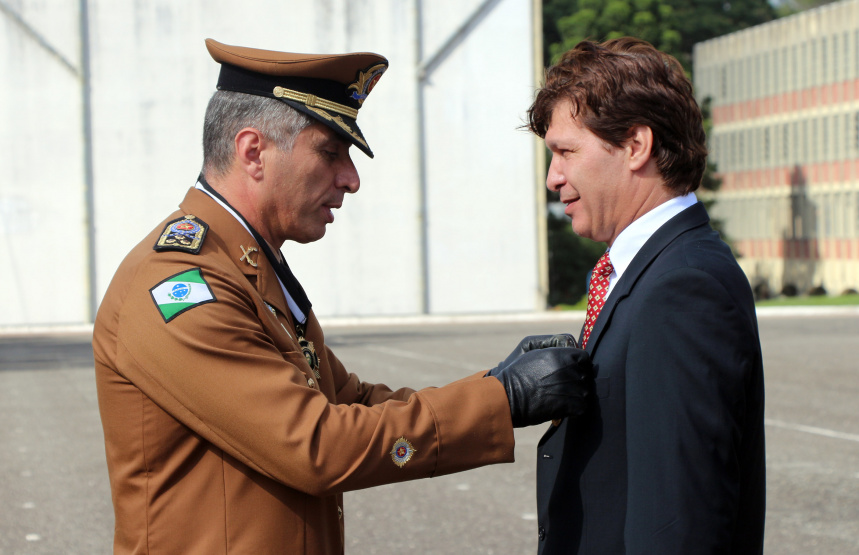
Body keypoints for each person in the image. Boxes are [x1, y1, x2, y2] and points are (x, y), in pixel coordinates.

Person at [93, 38, 593, 554]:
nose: (350, 179)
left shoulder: (243, 267)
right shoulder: (178, 284)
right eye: (330, 152)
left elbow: (349, 402)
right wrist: (502, 400)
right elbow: (315, 444)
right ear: (253, 152)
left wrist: (493, 384)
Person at [527, 38, 765, 554]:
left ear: (636, 145)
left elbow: (678, 524)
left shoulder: (684, 286)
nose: (553, 178)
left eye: (566, 151)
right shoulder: (649, 268)